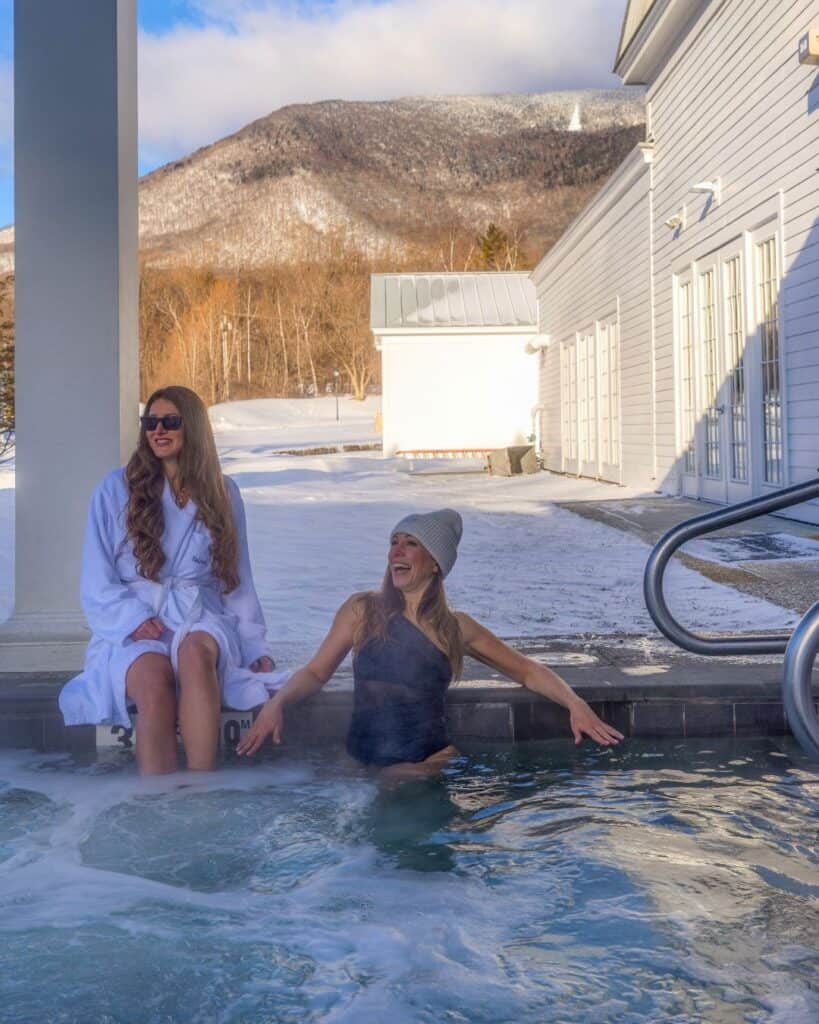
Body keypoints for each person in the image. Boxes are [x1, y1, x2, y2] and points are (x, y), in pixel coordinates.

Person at [237, 509, 623, 777]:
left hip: (424, 766)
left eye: (410, 544)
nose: (397, 552)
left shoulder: (457, 628)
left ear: (436, 562)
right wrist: (278, 702)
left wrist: (576, 704)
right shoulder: (362, 611)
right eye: (394, 542)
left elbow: (526, 669)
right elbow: (317, 671)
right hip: (362, 760)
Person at [60, 385, 285, 774]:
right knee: (153, 680)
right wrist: (132, 620)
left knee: (196, 654)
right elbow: (96, 578)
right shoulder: (115, 489)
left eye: (171, 421)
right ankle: (158, 799)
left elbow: (237, 578)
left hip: (199, 614)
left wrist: (253, 646)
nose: (158, 430)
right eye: (150, 422)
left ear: (193, 427)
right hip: (135, 622)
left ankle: (201, 790)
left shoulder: (222, 492)